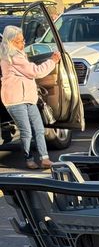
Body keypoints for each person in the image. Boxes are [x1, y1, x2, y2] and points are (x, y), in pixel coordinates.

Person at [0, 25, 60, 170]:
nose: (24, 43)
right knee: (26, 131)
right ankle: (29, 159)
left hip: (28, 98)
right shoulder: (13, 57)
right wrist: (52, 61)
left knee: (39, 129)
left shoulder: (19, 55)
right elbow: (36, 72)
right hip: (16, 100)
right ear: (11, 42)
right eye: (20, 41)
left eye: (23, 40)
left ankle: (45, 159)